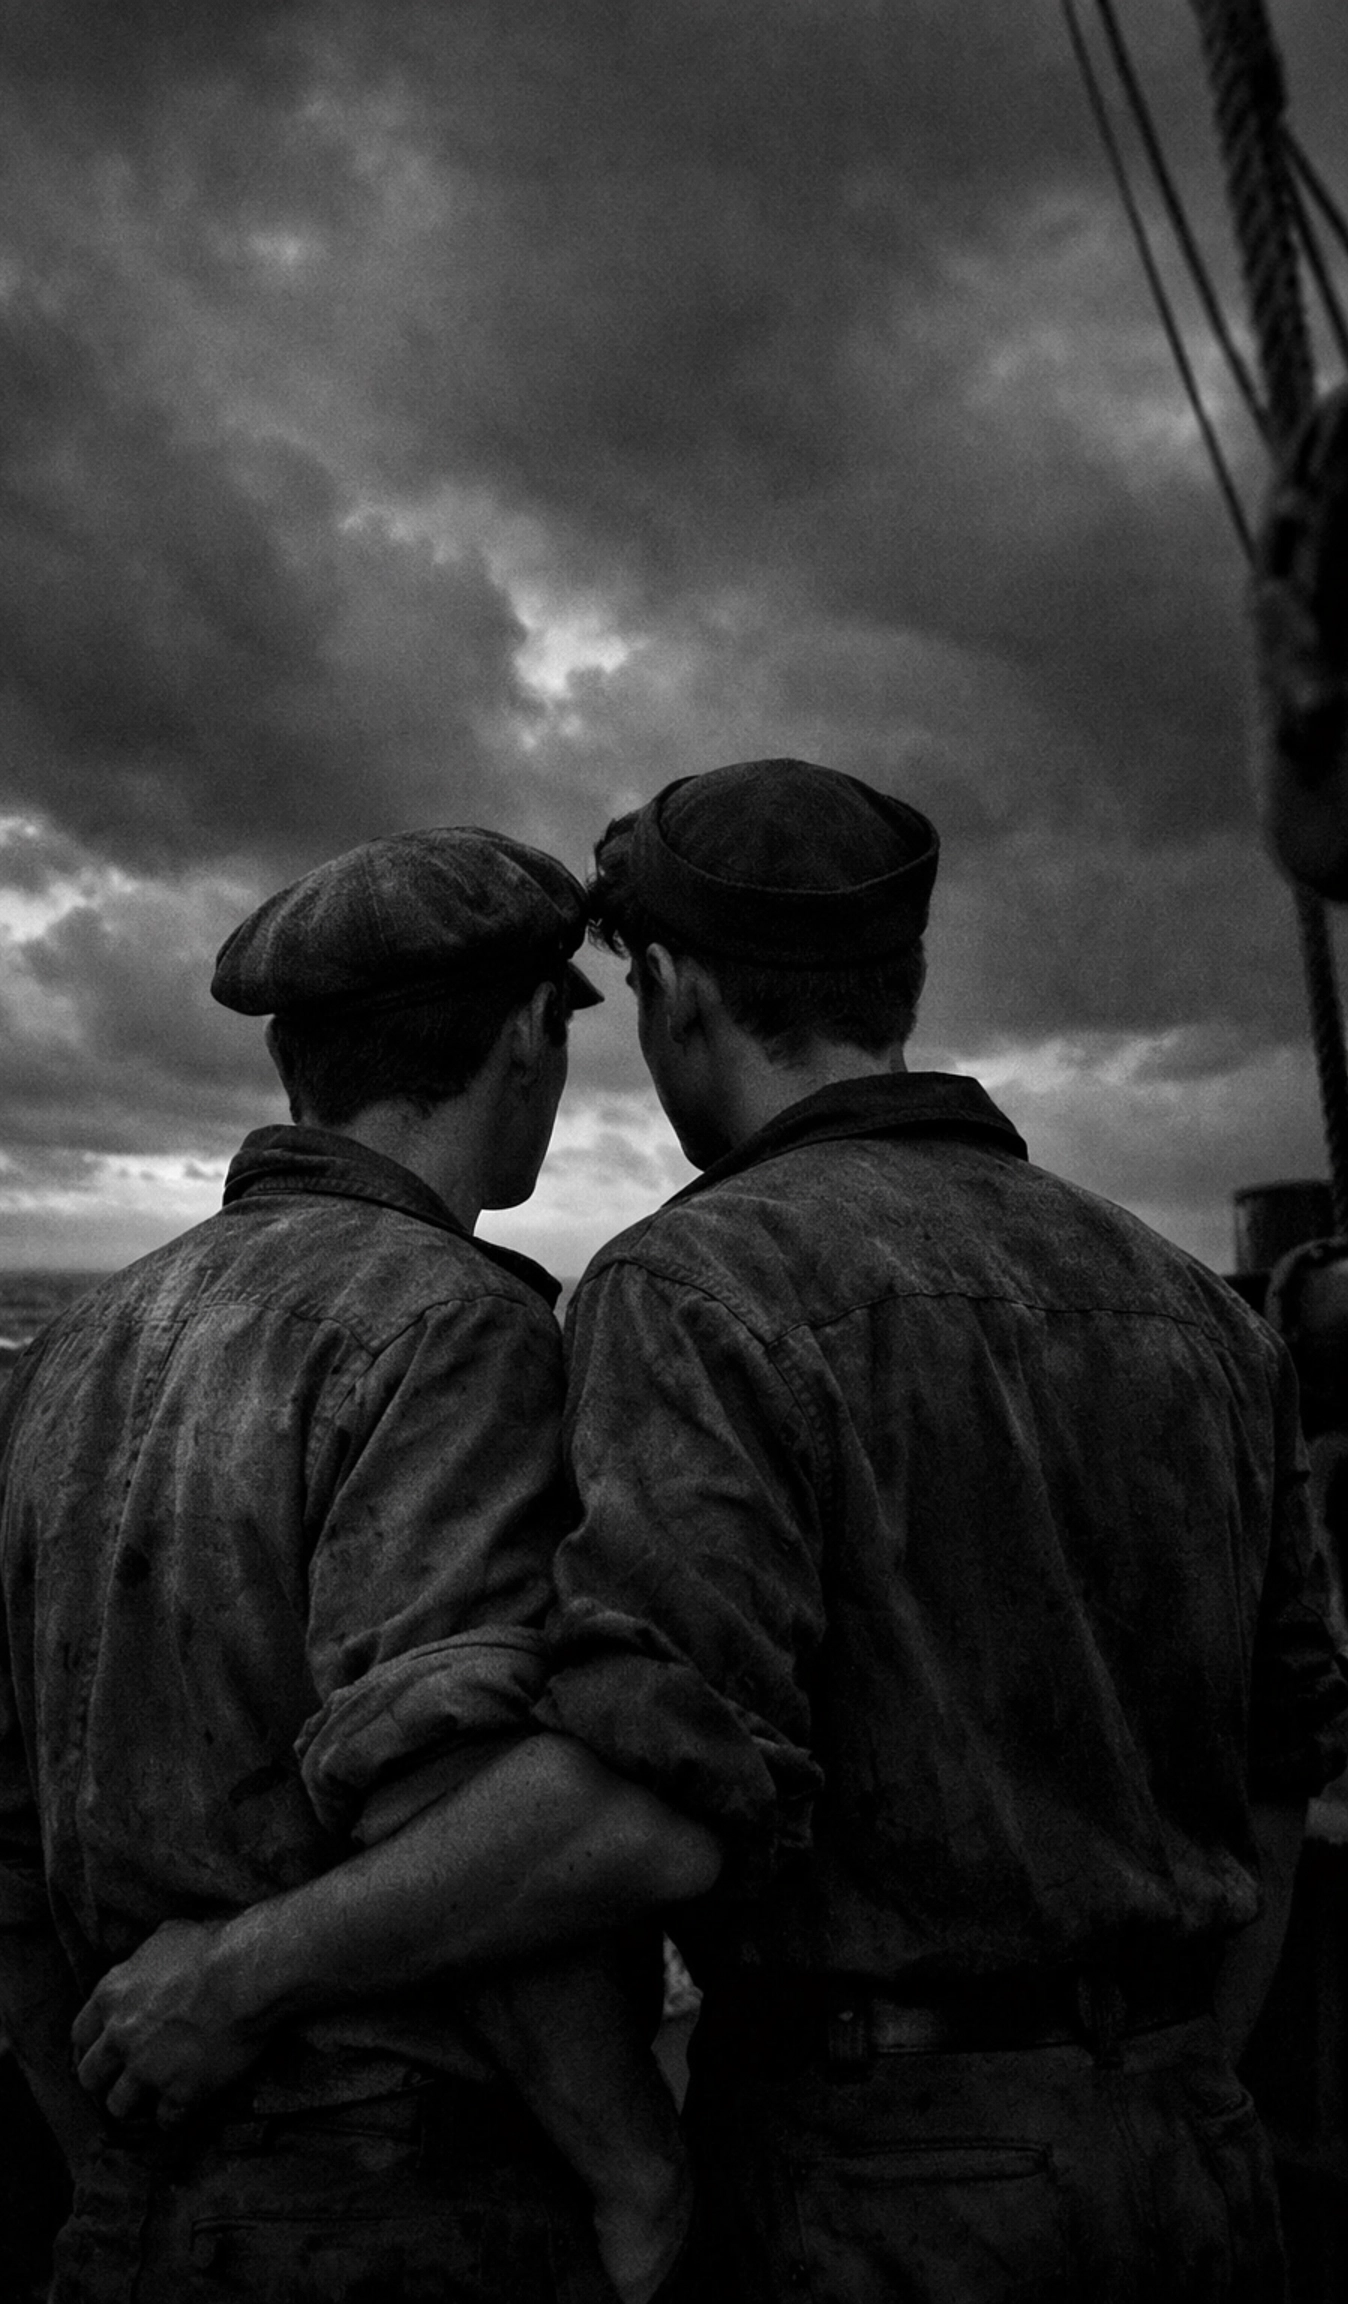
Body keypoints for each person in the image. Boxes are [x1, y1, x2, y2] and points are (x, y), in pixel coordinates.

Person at [527, 758, 1348, 2300]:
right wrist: (1167, 2072)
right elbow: (1280, 1772)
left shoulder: (694, 1290)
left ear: (679, 992)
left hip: (875, 2180)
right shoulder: (1202, 1317)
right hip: (1189, 2150)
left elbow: (654, 1783)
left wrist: (258, 1964)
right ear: (891, 981)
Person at [0, 826, 716, 2304]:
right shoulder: (455, 1330)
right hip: (414, 2208)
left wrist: (102, 2148)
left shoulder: (68, 1351)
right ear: (534, 1034)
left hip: (143, 2206)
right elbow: (447, 1786)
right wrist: (635, 2167)